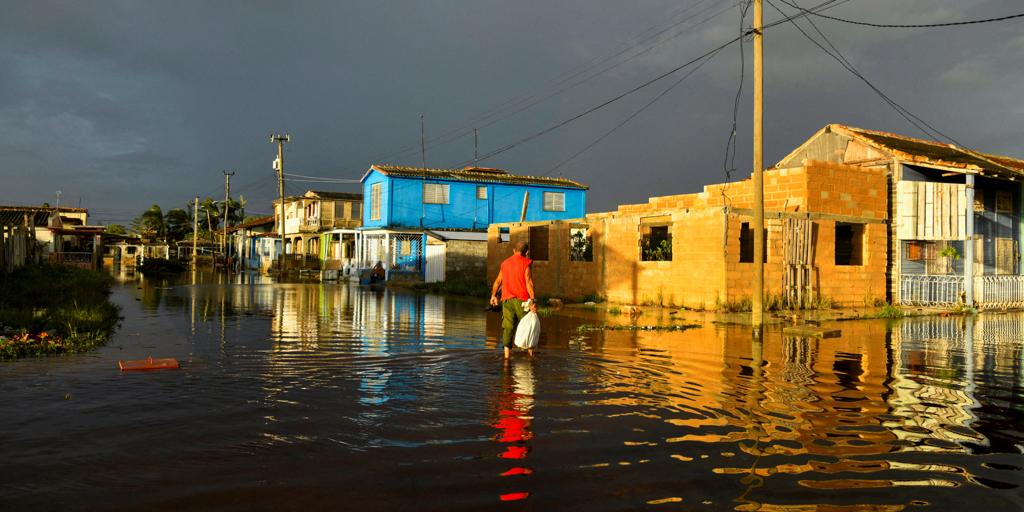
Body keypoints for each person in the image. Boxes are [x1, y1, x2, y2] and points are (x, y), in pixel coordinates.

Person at [490, 241, 538, 359]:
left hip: (507, 301)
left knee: (508, 328)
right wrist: (533, 300)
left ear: (513, 250)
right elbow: (529, 283)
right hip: (522, 301)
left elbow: (497, 282)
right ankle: (530, 355)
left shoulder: (505, 263)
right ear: (526, 252)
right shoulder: (526, 262)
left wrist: (493, 296)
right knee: (528, 326)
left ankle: (506, 357)